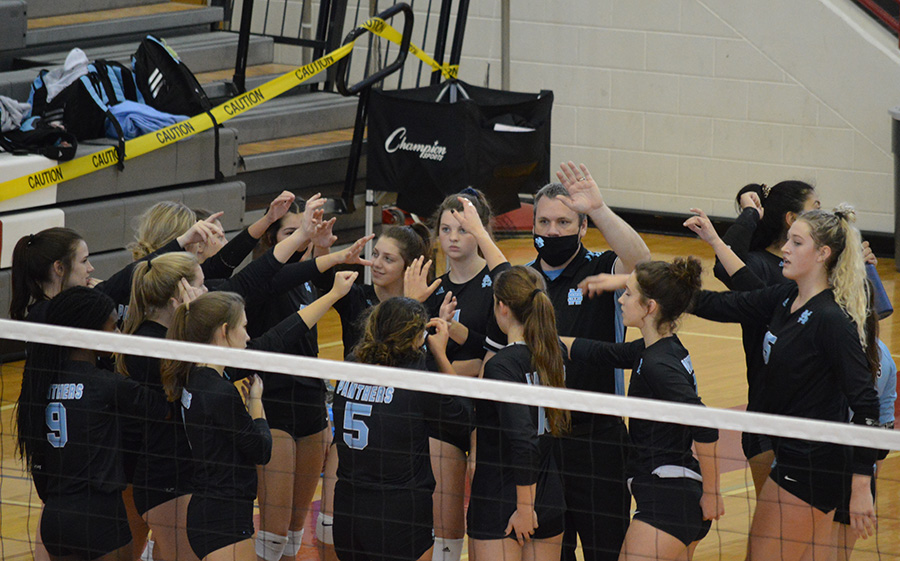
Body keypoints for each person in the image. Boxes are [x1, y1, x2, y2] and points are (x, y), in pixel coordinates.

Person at [688, 205, 880, 561]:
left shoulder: (830, 318)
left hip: (814, 464)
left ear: (823, 254)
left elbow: (866, 404)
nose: (786, 249)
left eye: (797, 242)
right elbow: (725, 305)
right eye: (788, 241)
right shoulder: (787, 297)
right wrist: (652, 289)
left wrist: (860, 487)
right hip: (795, 458)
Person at [161, 273, 357, 561]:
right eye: (244, 327)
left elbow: (274, 340)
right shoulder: (219, 390)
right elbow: (262, 449)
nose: (249, 336)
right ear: (224, 332)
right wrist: (256, 404)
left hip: (213, 512)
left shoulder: (195, 376)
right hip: (223, 521)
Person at [510, 161, 650, 561]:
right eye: (544, 222)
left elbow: (642, 262)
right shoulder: (523, 281)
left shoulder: (604, 269)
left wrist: (599, 208)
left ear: (582, 227)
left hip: (598, 438)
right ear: (533, 225)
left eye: (564, 222)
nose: (552, 231)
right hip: (543, 440)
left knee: (607, 548)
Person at [567, 258, 723, 560]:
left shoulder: (658, 365)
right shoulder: (658, 348)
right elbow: (601, 352)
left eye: (628, 294)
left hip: (667, 502)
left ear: (649, 306)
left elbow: (704, 423)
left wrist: (713, 494)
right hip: (674, 496)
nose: (622, 300)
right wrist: (543, 340)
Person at [16, 286, 169, 561]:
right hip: (100, 518)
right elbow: (164, 409)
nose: (119, 335)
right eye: (113, 328)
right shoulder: (108, 385)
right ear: (87, 333)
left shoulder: (38, 386)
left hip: (55, 518)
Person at [318, 223, 437, 560]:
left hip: (401, 441)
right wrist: (321, 248)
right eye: (376, 255)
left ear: (411, 266)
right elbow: (317, 277)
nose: (378, 263)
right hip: (357, 437)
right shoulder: (355, 296)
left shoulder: (430, 306)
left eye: (389, 258)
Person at [709, 181, 821, 495]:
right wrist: (748, 213)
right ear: (791, 219)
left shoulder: (817, 271)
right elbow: (725, 264)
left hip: (812, 419)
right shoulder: (761, 266)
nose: (822, 213)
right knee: (772, 530)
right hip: (767, 420)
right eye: (815, 207)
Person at [332, 297, 459, 561]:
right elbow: (460, 414)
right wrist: (440, 354)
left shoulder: (350, 366)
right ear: (416, 338)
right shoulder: (415, 378)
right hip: (400, 514)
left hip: (348, 509)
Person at [424, 189, 511, 561]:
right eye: (446, 229)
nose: (453, 238)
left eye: (462, 229)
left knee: (486, 525)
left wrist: (453, 335)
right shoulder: (432, 287)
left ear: (482, 231)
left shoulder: (498, 286)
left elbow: (489, 361)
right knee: (442, 524)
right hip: (443, 413)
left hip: (486, 417)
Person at [468, 266, 569, 561]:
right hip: (548, 498)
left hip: (504, 501)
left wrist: (525, 508)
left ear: (501, 307)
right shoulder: (554, 355)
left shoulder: (501, 366)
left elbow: (523, 440)